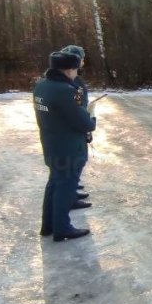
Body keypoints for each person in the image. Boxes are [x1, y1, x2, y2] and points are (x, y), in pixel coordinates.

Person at [33, 51, 95, 242]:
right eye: (76, 69)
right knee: (65, 188)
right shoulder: (65, 91)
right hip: (68, 148)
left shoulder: (42, 85)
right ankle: (62, 227)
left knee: (54, 184)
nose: (77, 73)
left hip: (52, 144)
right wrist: (91, 116)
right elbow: (84, 122)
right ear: (69, 69)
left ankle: (49, 225)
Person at [59, 44, 92, 209]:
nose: (84, 62)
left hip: (77, 125)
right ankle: (70, 196)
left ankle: (72, 190)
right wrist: (86, 126)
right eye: (82, 59)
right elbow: (75, 108)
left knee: (77, 163)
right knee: (73, 163)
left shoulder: (73, 78)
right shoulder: (70, 81)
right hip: (73, 128)